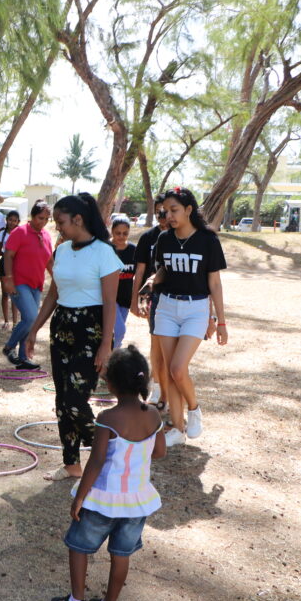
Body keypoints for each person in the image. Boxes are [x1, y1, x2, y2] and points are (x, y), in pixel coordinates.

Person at [50, 345, 166, 601]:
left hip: (103, 499)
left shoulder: (107, 419)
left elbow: (96, 461)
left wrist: (80, 497)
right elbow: (159, 452)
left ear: (109, 383)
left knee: (79, 546)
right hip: (136, 501)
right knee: (121, 554)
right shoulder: (153, 415)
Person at [25, 194, 122, 482]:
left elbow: (109, 303)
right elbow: (53, 294)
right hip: (62, 327)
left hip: (91, 330)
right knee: (61, 401)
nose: (58, 228)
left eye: (61, 222)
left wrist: (106, 345)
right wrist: (34, 329)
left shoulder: (104, 253)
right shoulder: (63, 251)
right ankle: (71, 465)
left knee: (74, 400)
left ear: (78, 219)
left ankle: (115, 451)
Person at [150, 187, 228, 447]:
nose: (169, 216)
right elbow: (163, 269)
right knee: (169, 372)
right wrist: (154, 279)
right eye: (166, 211)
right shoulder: (165, 240)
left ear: (188, 210)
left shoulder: (208, 240)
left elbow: (215, 284)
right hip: (167, 307)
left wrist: (220, 321)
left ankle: (194, 409)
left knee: (177, 368)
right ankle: (177, 428)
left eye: (174, 210)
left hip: (196, 309)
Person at [131, 195, 171, 412]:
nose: (163, 216)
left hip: (178, 299)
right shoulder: (149, 238)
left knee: (171, 352)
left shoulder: (180, 236)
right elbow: (140, 271)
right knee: (156, 345)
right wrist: (135, 299)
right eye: (159, 212)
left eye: (167, 211)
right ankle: (157, 387)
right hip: (155, 298)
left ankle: (167, 392)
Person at [2, 201, 53, 370]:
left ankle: (23, 358)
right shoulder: (20, 232)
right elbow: (8, 256)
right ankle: (9, 347)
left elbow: (49, 261)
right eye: (40, 218)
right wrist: (8, 279)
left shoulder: (46, 235)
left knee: (29, 321)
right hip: (19, 282)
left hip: (36, 284)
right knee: (32, 317)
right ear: (32, 216)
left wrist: (58, 280)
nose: (43, 222)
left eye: (46, 219)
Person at [111, 216, 136, 348]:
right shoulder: (106, 248)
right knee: (120, 331)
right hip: (109, 298)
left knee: (116, 334)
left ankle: (112, 361)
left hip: (125, 298)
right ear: (112, 232)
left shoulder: (133, 250)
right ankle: (110, 359)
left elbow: (139, 274)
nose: (121, 236)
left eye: (125, 233)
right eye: (118, 233)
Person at [0, 210, 21, 330]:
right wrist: (8, 255)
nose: (12, 222)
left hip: (16, 266)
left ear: (18, 222)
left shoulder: (20, 234)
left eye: (14, 220)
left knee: (14, 294)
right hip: (3, 265)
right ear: (6, 220)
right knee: (5, 294)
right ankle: (6, 321)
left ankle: (15, 323)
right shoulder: (2, 234)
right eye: (10, 219)